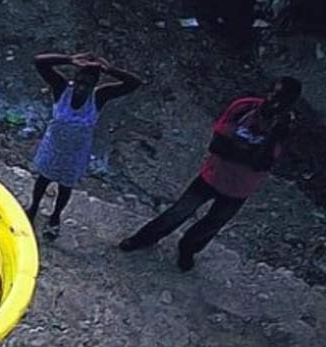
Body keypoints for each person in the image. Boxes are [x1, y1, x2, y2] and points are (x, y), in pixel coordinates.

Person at [119, 77, 302, 271]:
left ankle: (187, 250)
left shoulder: (285, 127)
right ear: (268, 91)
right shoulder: (244, 108)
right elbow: (217, 145)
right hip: (212, 176)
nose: (276, 101)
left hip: (239, 189)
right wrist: (249, 153)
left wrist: (270, 135)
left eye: (284, 99)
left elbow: (262, 163)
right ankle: (142, 239)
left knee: (211, 225)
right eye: (275, 94)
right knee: (178, 212)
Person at [28, 52, 143, 239]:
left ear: (94, 85)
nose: (82, 88)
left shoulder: (99, 97)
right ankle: (33, 208)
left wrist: (111, 70)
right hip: (52, 148)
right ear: (74, 79)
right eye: (80, 82)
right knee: (43, 181)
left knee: (65, 188)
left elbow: (134, 83)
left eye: (88, 85)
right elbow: (39, 61)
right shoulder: (62, 89)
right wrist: (69, 59)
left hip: (75, 154)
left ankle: (55, 216)